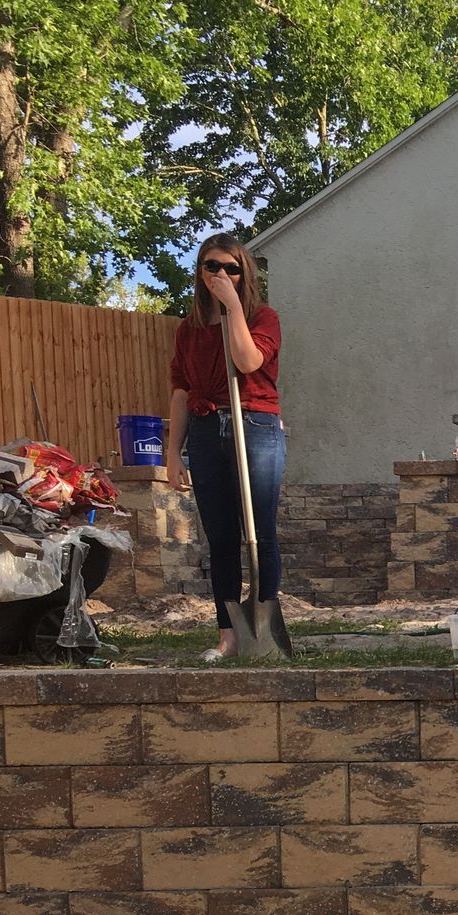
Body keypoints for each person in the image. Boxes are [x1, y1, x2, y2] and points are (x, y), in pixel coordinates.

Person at [162, 233, 285, 661]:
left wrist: (233, 307)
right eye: (212, 266)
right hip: (204, 428)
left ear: (243, 274)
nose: (221, 274)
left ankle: (264, 633)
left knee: (260, 532)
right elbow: (181, 391)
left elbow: (248, 361)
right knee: (221, 537)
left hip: (254, 425)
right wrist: (173, 453)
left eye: (231, 268)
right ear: (200, 271)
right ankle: (228, 636)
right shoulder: (189, 330)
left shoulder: (263, 317)